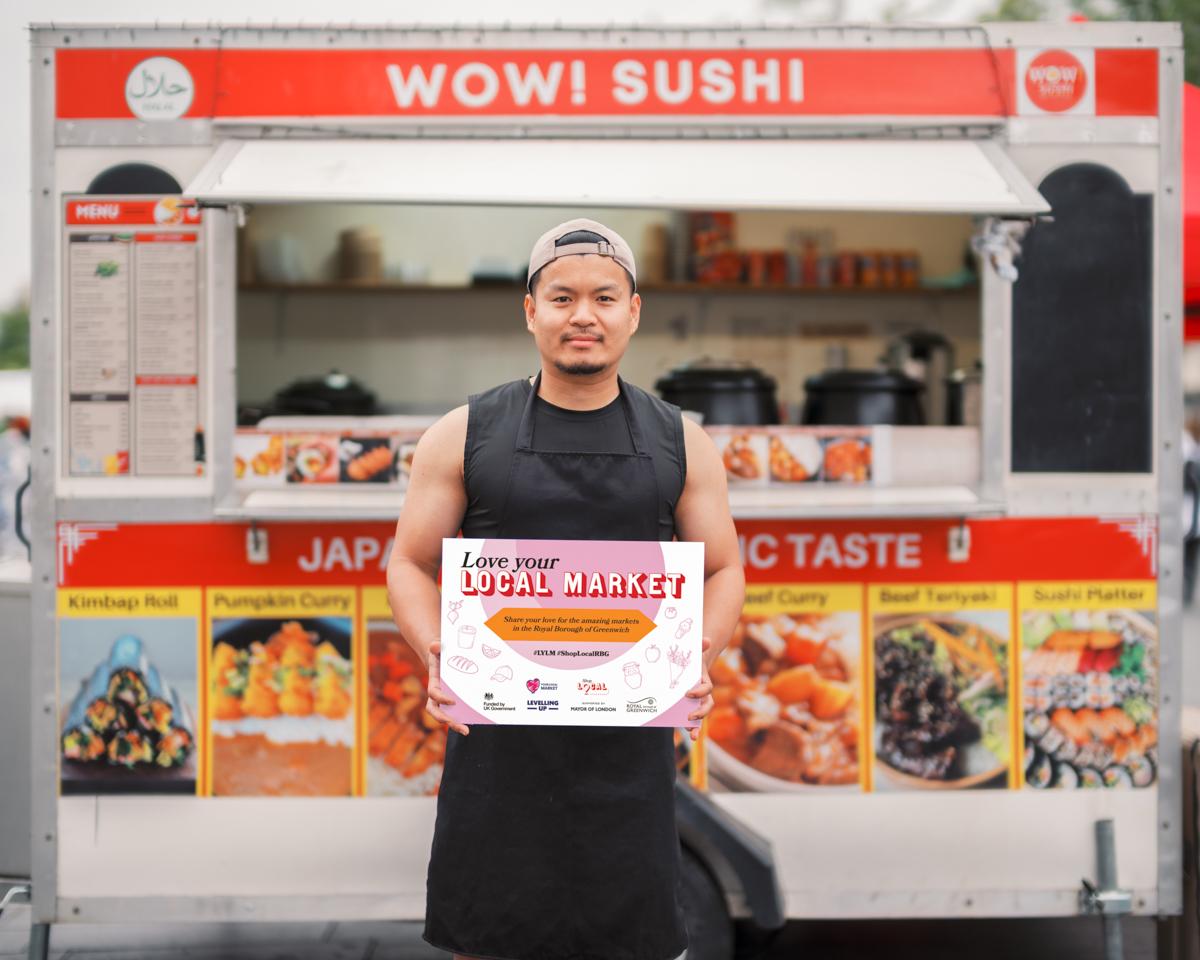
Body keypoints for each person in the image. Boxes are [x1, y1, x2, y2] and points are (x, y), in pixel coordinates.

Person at [386, 218, 745, 960]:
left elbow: (721, 569)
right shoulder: (464, 433)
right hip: (497, 756)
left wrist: (696, 654)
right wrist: (437, 652)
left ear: (633, 312)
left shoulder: (681, 440)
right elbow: (410, 563)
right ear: (531, 311)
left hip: (627, 756)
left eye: (604, 297)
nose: (584, 315)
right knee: (489, 941)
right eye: (562, 297)